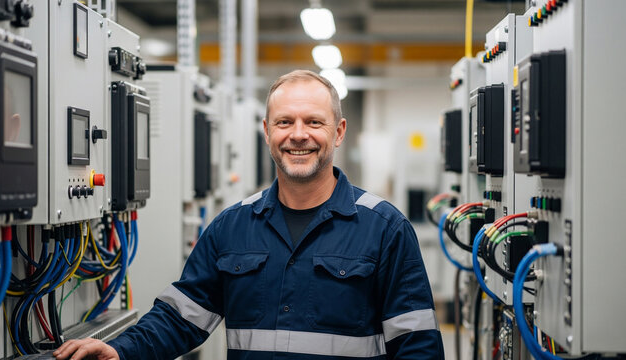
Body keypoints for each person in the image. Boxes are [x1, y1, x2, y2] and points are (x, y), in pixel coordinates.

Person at [54, 70, 444, 360]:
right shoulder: (232, 226)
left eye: (314, 122)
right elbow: (180, 317)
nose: (298, 134)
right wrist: (120, 351)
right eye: (284, 122)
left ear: (338, 132)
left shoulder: (384, 228)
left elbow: (416, 345)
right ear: (267, 130)